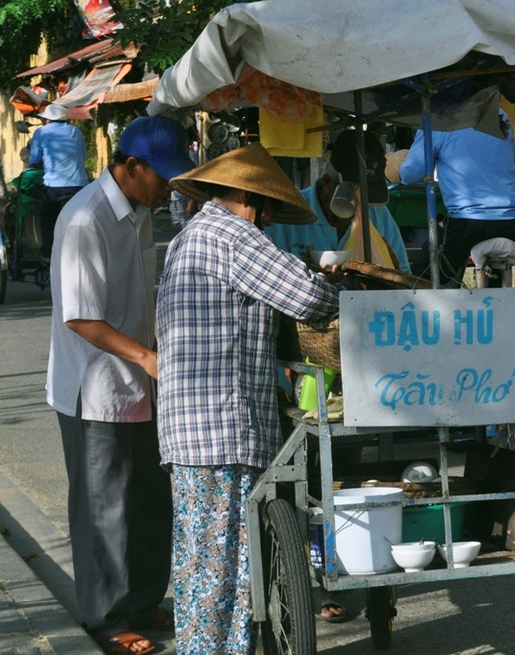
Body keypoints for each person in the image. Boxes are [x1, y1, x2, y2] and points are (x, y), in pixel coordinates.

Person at [156, 143, 344, 654]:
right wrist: (331, 285)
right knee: (226, 572)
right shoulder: (230, 235)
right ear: (243, 195)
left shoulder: (190, 235)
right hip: (221, 429)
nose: (262, 218)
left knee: (201, 568)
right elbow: (305, 297)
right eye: (260, 206)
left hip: (195, 428)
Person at [46, 115, 194, 655]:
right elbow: (80, 317)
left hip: (141, 382)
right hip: (95, 387)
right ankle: (107, 620)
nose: (168, 187)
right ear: (131, 167)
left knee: (150, 501)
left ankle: (143, 598)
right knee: (104, 507)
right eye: (162, 176)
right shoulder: (86, 219)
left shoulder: (140, 213)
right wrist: (146, 358)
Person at [400, 108, 515, 285]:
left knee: (422, 277)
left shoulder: (437, 118)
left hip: (467, 225)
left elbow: (410, 175)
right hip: (514, 227)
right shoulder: (500, 115)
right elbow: (513, 164)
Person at [266, 129, 410, 272]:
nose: (358, 207)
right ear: (327, 183)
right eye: (350, 196)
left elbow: (404, 277)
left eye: (365, 196)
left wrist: (393, 267)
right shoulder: (289, 210)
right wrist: (302, 275)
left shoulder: (378, 214)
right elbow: (269, 275)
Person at [29, 102, 89, 263]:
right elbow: (82, 158)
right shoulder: (76, 132)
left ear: (47, 119)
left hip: (53, 187)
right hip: (78, 186)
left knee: (47, 217)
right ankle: (83, 250)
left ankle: (47, 253)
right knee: (83, 219)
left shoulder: (41, 133)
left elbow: (33, 160)